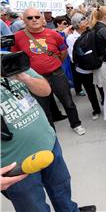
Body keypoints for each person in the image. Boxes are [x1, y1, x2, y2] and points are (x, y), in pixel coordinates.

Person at [0, 63, 96, 212]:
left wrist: (23, 77)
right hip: (14, 165)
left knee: (61, 187)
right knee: (33, 207)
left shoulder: (10, 60)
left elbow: (45, 90)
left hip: (48, 143)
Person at [11, 8, 85, 135]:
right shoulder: (17, 37)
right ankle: (51, 132)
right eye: (30, 18)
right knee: (43, 107)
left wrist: (55, 64)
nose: (34, 20)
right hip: (35, 78)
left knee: (67, 101)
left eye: (37, 17)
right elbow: (15, 56)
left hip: (56, 73)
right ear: (24, 20)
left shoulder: (53, 34)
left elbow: (63, 51)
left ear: (42, 19)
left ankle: (76, 124)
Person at [67, 13, 101, 120]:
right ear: (77, 24)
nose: (86, 20)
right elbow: (73, 56)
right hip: (83, 69)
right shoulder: (71, 38)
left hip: (96, 66)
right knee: (90, 91)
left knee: (101, 87)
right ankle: (96, 110)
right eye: (82, 20)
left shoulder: (92, 33)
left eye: (85, 18)